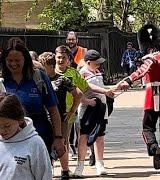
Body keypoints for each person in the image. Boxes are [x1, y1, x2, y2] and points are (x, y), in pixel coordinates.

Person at [117, 24, 160, 169]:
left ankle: (154, 147)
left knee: (147, 127)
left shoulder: (151, 58)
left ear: (150, 47)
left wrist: (128, 80)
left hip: (152, 96)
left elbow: (142, 70)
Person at [0, 37, 65, 161]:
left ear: (25, 59)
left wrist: (58, 138)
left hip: (39, 139)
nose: (13, 64)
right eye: (10, 60)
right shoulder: (1, 81)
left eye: (17, 60)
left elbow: (53, 110)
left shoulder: (39, 78)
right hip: (8, 142)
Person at [54, 45, 115, 176]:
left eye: (64, 57)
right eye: (59, 57)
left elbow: (84, 90)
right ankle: (75, 166)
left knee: (97, 136)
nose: (61, 60)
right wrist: (90, 100)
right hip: (60, 111)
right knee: (78, 138)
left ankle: (95, 164)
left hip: (71, 113)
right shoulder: (52, 73)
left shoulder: (77, 73)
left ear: (69, 59)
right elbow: (86, 91)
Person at [39, 52, 82, 179]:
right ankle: (48, 170)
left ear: (51, 66)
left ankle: (65, 170)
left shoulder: (62, 79)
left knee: (62, 143)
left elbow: (78, 94)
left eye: (43, 66)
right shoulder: (39, 80)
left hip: (60, 116)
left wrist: (72, 111)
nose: (40, 69)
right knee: (45, 144)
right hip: (43, 117)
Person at [74, 49, 110, 177]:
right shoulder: (82, 73)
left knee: (99, 136)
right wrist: (104, 92)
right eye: (96, 63)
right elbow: (87, 87)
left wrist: (109, 91)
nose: (99, 65)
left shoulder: (98, 72)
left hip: (100, 108)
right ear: (88, 62)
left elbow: (101, 87)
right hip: (87, 109)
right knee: (83, 136)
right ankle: (80, 166)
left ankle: (100, 164)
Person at [0, 93, 52, 180]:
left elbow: (45, 175)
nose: (1, 131)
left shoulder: (34, 143)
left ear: (20, 120)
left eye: (7, 126)